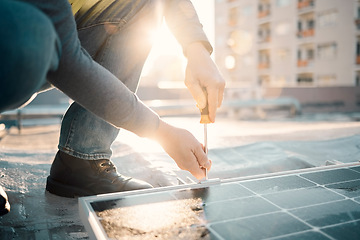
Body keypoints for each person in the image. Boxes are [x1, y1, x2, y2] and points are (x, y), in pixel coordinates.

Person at [0, 0, 225, 213]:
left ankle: (82, 162)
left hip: (52, 34)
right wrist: (161, 132)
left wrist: (197, 50)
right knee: (29, 30)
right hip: (17, 36)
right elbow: (67, 63)